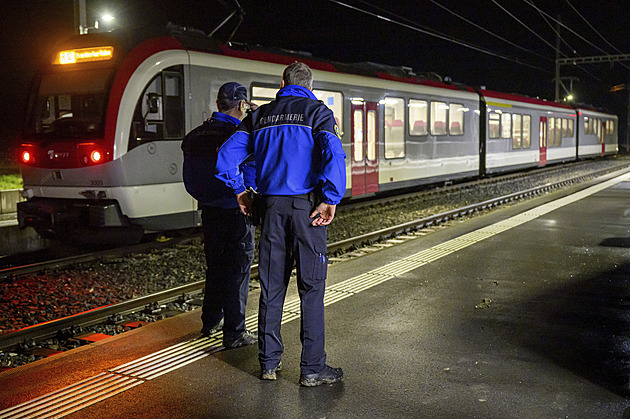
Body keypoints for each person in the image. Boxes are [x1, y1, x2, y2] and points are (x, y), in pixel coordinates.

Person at [215, 62, 347, 386]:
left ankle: (269, 364)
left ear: (282, 82)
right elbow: (333, 154)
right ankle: (312, 369)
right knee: (312, 289)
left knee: (272, 288)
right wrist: (331, 197)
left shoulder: (259, 116)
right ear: (310, 86)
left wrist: (241, 191)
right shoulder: (318, 113)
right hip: (307, 210)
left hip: (271, 209)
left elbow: (226, 156)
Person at [181, 82, 258, 349]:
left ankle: (210, 320)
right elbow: (249, 174)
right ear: (241, 105)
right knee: (238, 270)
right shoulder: (239, 135)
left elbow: (189, 180)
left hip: (209, 211)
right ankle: (235, 332)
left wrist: (208, 197)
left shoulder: (194, 136)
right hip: (237, 211)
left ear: (217, 105)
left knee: (215, 266)